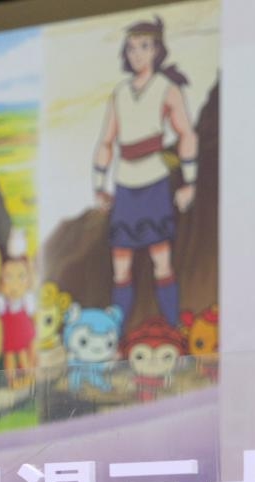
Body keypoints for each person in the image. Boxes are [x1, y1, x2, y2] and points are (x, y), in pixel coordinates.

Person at [92, 17, 198, 329]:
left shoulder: (167, 89)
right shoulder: (120, 93)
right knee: (120, 268)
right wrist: (99, 184)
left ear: (156, 50)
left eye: (144, 46)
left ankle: (174, 328)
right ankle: (117, 336)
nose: (137, 54)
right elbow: (106, 142)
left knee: (160, 260)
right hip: (125, 184)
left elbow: (187, 135)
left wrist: (189, 182)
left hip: (154, 181)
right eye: (131, 48)